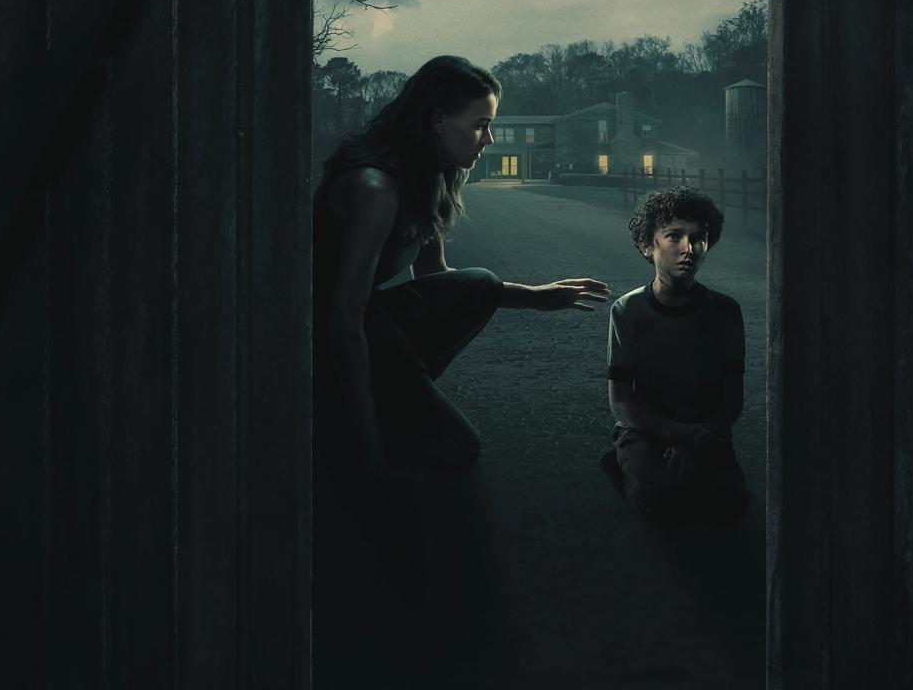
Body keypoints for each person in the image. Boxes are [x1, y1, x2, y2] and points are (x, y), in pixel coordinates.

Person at [313, 55, 611, 478]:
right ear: (437, 120)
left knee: (479, 284)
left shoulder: (431, 177)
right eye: (479, 125)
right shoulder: (374, 188)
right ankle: (346, 423)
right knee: (453, 446)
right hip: (318, 339)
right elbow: (342, 322)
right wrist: (366, 442)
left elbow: (436, 278)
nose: (488, 139)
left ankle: (393, 399)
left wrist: (536, 297)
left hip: (370, 328)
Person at [600, 186, 750, 525]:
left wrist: (697, 440)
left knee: (731, 501)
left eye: (698, 238)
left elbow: (732, 396)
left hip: (705, 431)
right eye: (673, 236)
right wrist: (676, 433)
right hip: (646, 429)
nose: (688, 249)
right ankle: (621, 464)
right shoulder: (628, 311)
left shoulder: (726, 312)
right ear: (647, 245)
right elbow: (621, 400)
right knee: (660, 499)